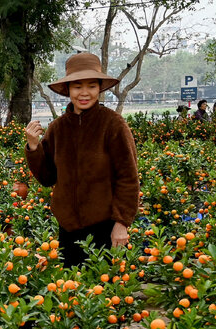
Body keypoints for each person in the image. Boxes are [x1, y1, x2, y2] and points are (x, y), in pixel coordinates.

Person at [24, 52, 140, 268]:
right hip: (68, 229)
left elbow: (128, 178)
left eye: (91, 86)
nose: (84, 93)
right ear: (68, 89)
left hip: (105, 228)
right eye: (77, 86)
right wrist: (33, 147)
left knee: (103, 285)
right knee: (71, 286)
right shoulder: (58, 128)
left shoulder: (113, 125)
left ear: (99, 88)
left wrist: (122, 222)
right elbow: (47, 177)